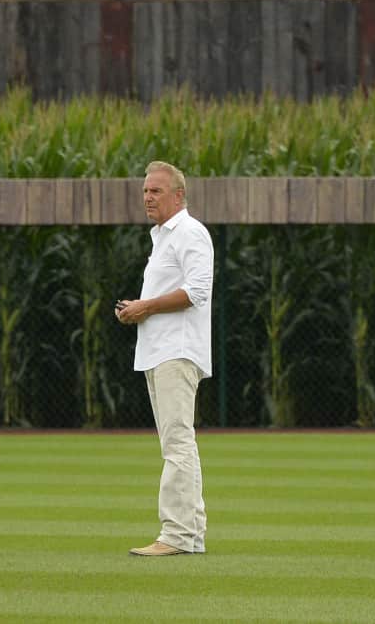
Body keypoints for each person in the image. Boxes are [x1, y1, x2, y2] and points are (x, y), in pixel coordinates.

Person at [115, 159, 215, 557]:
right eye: (144, 191)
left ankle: (176, 535)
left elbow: (197, 291)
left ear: (179, 195)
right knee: (177, 443)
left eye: (155, 191)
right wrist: (136, 310)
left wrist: (146, 307)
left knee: (177, 443)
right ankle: (190, 534)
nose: (147, 197)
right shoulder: (163, 237)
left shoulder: (190, 232)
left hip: (178, 351)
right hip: (158, 352)